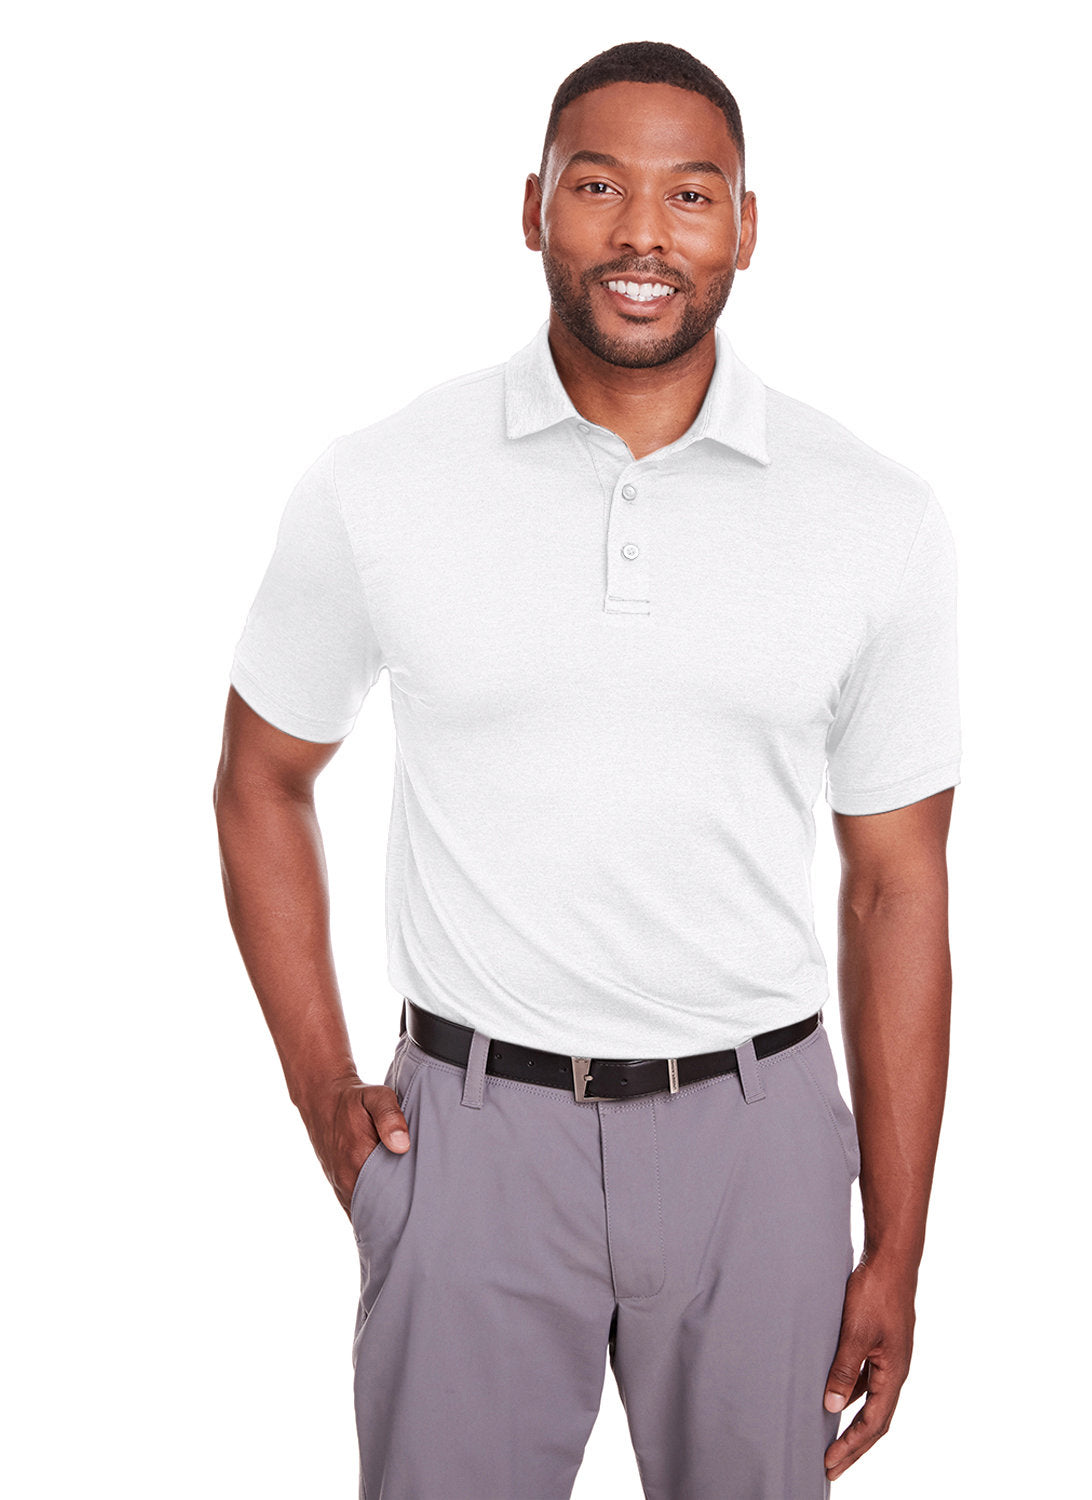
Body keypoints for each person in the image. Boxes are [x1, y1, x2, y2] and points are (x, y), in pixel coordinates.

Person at [213, 39, 960, 1500]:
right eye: (598, 186)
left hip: (760, 1147)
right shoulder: (382, 481)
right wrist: (320, 1089)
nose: (642, 235)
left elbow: (898, 889)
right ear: (533, 207)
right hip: (470, 1135)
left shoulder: (875, 517)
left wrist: (899, 1246)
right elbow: (260, 778)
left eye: (692, 194)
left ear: (747, 225)